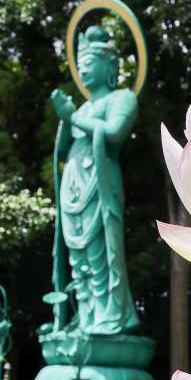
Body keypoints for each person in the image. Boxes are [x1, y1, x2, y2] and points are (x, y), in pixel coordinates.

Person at [50, 25, 139, 335]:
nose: (83, 70)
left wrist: (72, 117)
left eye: (89, 63)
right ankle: (86, 317)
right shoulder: (84, 107)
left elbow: (114, 132)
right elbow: (63, 150)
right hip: (74, 183)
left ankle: (109, 316)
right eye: (80, 65)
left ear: (109, 65)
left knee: (100, 253)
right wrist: (66, 119)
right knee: (79, 259)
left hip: (99, 182)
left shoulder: (122, 98)